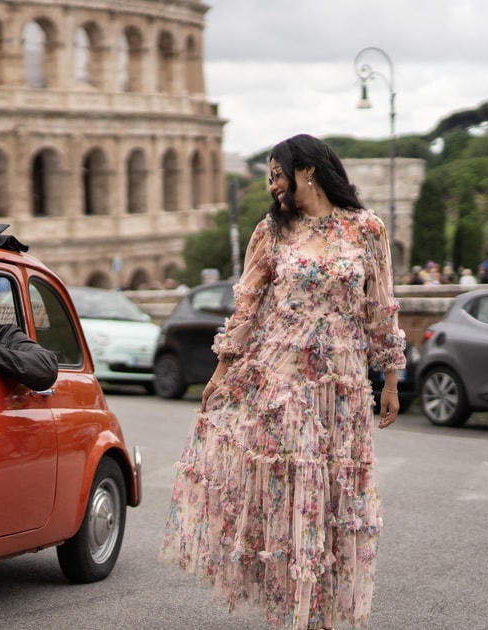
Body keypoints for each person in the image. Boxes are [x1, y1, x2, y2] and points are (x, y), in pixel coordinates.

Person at [160, 134, 405, 630]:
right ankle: (295, 614)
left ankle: (323, 617)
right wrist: (220, 374)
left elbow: (382, 309)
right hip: (281, 385)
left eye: (277, 174)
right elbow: (246, 308)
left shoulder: (367, 230)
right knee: (293, 498)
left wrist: (391, 381)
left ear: (307, 171)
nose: (272, 186)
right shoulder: (271, 233)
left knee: (336, 502)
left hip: (342, 390)